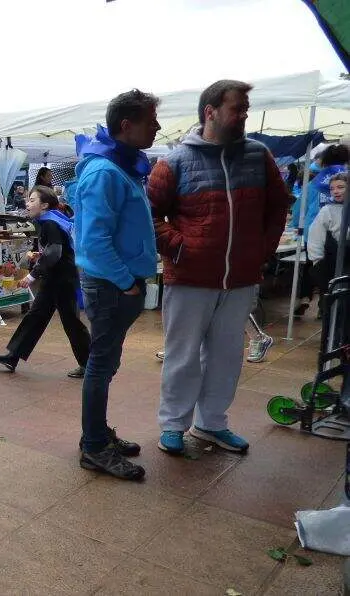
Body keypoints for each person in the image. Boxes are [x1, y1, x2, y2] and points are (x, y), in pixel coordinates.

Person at [149, 80, 289, 457]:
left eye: (245, 109)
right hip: (189, 276)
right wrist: (180, 245)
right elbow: (149, 214)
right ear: (210, 112)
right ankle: (173, 425)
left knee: (227, 355)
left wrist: (262, 249)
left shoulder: (258, 155)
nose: (244, 116)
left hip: (240, 277)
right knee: (182, 355)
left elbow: (279, 205)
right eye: (237, 109)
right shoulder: (175, 161)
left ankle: (211, 423)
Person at [70, 89, 161, 481]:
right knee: (101, 364)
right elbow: (93, 241)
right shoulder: (105, 171)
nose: (157, 127)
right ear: (126, 125)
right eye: (150, 121)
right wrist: (126, 283)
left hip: (117, 284)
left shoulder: (119, 166)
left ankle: (96, 433)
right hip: (111, 284)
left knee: (105, 363)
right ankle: (93, 447)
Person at [0, 186, 90, 378]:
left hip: (62, 280)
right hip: (56, 278)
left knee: (71, 323)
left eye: (32, 200)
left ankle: (91, 365)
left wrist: (31, 276)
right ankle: (13, 357)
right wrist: (41, 256)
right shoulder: (51, 219)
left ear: (44, 205)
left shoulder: (49, 223)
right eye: (28, 200)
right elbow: (55, 250)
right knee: (36, 317)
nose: (27, 204)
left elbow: (54, 253)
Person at [290, 144, 349, 316]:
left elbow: (300, 206)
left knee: (314, 268)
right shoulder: (345, 179)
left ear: (324, 161)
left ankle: (305, 298)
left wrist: (296, 224)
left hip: (313, 232)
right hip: (340, 237)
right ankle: (325, 308)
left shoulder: (315, 182)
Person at [308, 172, 349, 321]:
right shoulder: (327, 210)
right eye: (332, 188)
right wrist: (317, 261)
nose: (336, 191)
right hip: (334, 261)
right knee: (334, 305)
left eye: (340, 187)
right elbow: (315, 237)